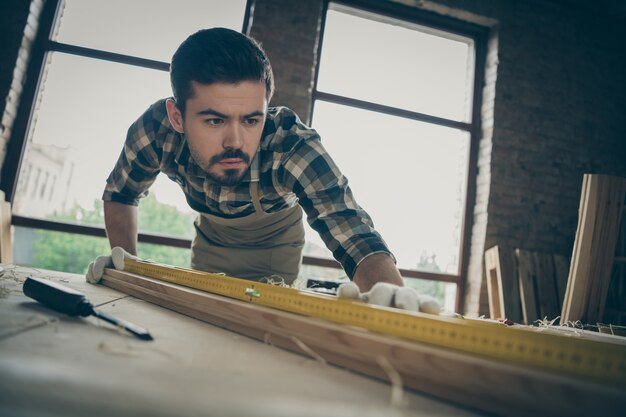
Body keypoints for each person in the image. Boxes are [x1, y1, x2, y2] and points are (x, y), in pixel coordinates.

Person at [86, 28, 439, 313]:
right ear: (178, 117)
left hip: (276, 257)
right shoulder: (155, 131)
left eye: (251, 119)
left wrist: (393, 300)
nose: (235, 141)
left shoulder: (290, 144)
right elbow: (121, 193)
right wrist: (126, 265)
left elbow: (350, 229)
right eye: (214, 120)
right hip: (211, 247)